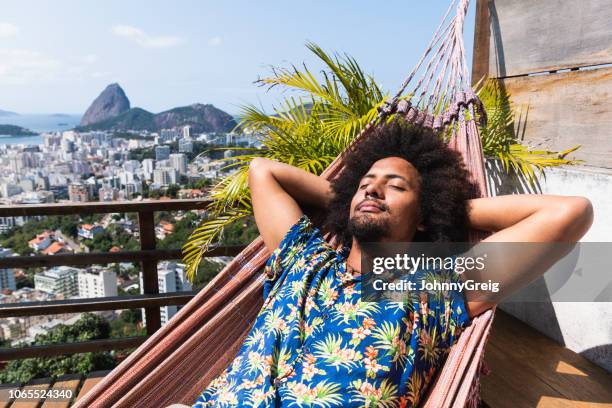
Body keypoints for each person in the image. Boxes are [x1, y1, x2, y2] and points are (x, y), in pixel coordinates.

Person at [192, 120, 593, 407]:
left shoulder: (435, 290)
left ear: (422, 216)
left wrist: (443, 210)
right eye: (366, 180)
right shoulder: (304, 257)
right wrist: (357, 195)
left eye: (395, 185)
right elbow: (263, 171)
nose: (374, 186)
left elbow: (570, 213)